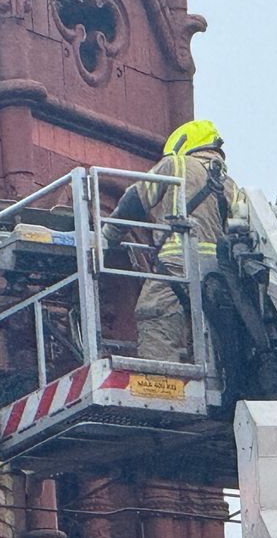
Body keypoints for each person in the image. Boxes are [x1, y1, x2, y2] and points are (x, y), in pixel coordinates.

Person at [101, 119, 241, 362]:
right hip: (218, 274)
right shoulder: (232, 187)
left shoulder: (176, 164)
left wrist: (108, 235)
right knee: (208, 332)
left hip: (177, 263)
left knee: (155, 316)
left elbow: (136, 200)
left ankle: (161, 384)